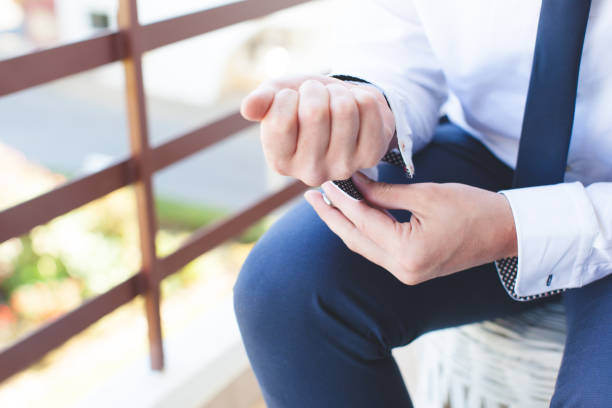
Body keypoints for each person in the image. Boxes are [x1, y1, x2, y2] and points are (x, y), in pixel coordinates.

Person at [233, 0, 612, 406]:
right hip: (497, 151)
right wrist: (371, 106)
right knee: (285, 289)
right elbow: (401, 34)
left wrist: (512, 228)